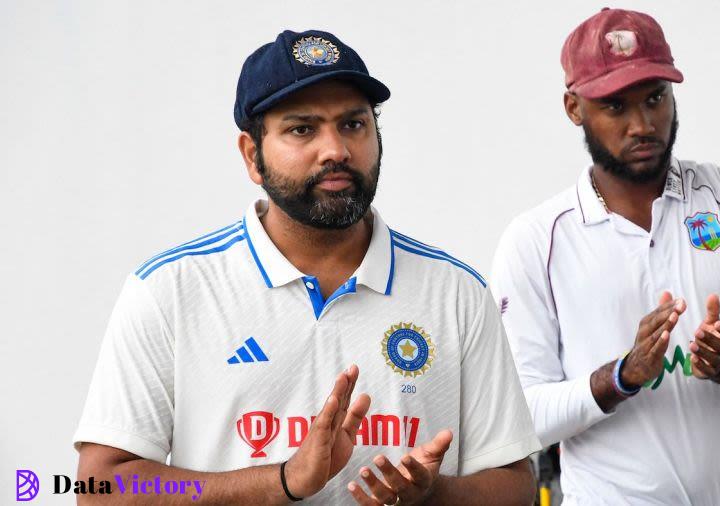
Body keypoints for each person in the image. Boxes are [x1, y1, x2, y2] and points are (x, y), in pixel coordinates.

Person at [74, 29, 540, 505]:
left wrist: (432, 495)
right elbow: (99, 489)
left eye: (353, 125)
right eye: (302, 129)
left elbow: (516, 484)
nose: (335, 149)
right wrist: (282, 481)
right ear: (252, 156)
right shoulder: (170, 289)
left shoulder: (456, 292)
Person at [490, 8, 720, 506]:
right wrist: (621, 377)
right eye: (615, 106)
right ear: (573, 108)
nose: (643, 124)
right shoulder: (535, 240)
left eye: (655, 97)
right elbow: (521, 419)